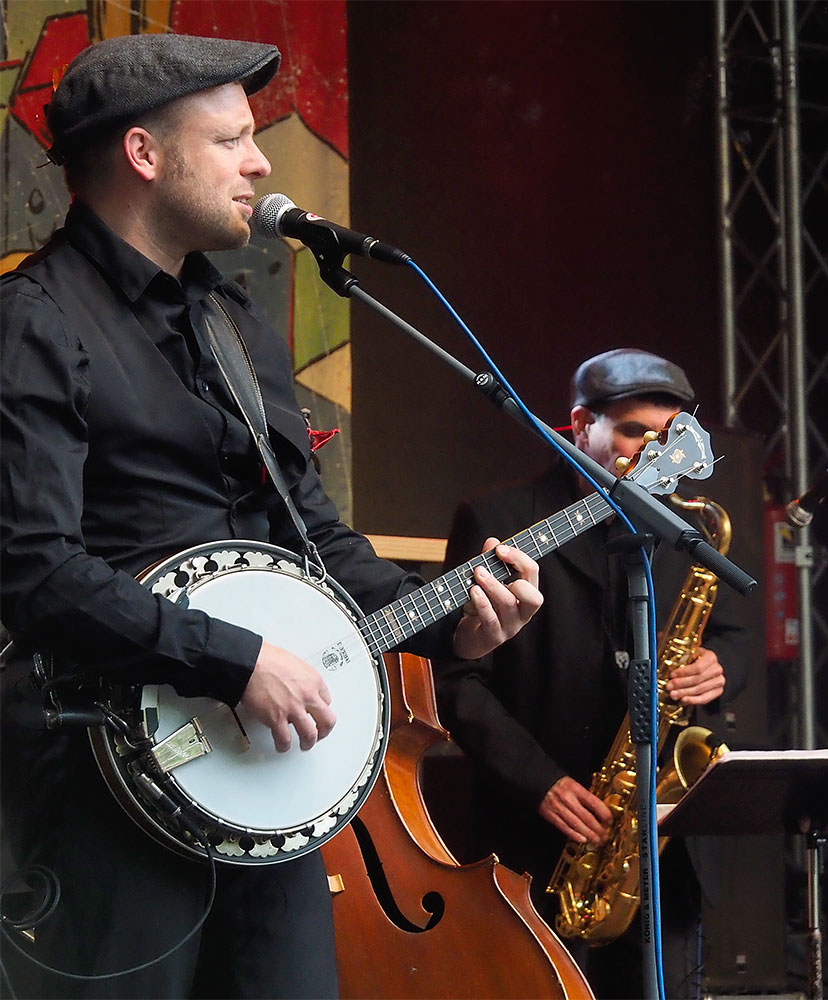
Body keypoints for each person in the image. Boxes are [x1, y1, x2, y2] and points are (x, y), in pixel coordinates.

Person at [0, 34, 543, 998]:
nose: (260, 164)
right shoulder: (33, 320)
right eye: (233, 141)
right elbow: (33, 567)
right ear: (143, 154)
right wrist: (233, 659)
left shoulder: (231, 321)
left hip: (259, 782)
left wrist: (450, 614)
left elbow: (310, 536)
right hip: (103, 779)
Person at [433, 348, 753, 999]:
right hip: (535, 840)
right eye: (634, 431)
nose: (652, 451)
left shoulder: (691, 523)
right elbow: (455, 681)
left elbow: (733, 637)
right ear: (580, 424)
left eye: (667, 436)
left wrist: (721, 668)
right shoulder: (499, 520)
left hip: (662, 844)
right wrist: (541, 784)